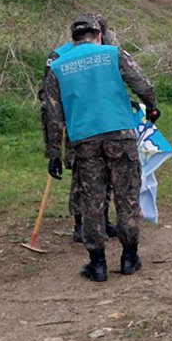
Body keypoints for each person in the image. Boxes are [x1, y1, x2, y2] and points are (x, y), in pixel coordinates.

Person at [43, 16, 158, 282]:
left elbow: (52, 114)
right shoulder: (113, 54)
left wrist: (54, 153)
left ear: (73, 40)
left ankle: (98, 264)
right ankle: (129, 257)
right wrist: (151, 107)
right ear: (98, 35)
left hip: (84, 140)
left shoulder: (58, 67)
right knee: (127, 196)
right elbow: (143, 84)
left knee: (92, 201)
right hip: (120, 134)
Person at [40, 13, 119, 242]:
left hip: (103, 121)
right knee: (81, 174)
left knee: (105, 172)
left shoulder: (104, 52)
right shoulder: (59, 56)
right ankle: (80, 222)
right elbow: (48, 96)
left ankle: (102, 219)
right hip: (75, 120)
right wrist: (54, 142)